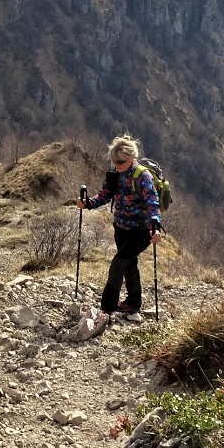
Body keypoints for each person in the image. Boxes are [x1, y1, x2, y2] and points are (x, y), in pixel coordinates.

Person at [75, 134, 164, 316]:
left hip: (141, 230)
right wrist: (88, 203)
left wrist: (156, 226)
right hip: (121, 227)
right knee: (129, 264)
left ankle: (107, 307)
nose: (117, 164)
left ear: (132, 158)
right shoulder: (114, 174)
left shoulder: (143, 176)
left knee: (118, 263)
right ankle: (133, 302)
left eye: (121, 161)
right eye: (114, 161)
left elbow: (152, 202)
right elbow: (105, 195)